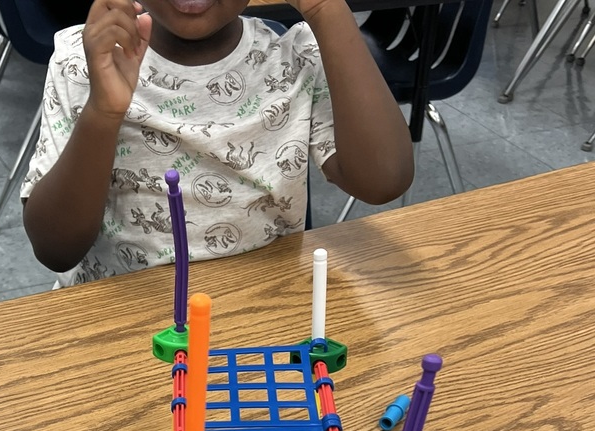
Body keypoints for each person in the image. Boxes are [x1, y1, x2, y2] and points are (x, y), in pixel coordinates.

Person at [21, 0, 413, 286]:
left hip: (260, 310)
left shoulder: (292, 57)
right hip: (121, 318)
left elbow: (383, 180)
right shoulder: (87, 60)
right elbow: (55, 249)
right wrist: (103, 113)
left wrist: (327, 10)